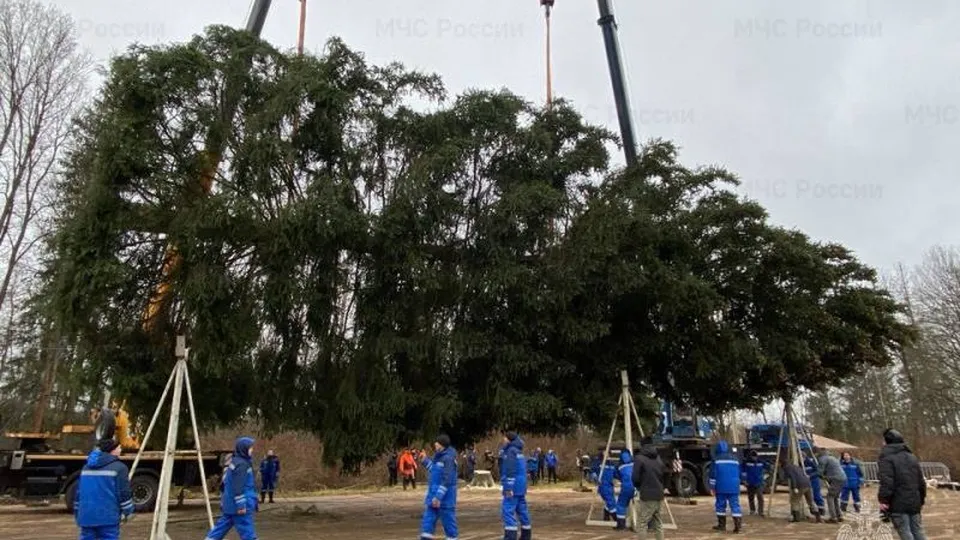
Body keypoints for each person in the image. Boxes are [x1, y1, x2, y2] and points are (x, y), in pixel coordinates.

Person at [75, 439, 134, 540]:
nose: (120, 450)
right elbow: (123, 492)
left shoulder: (86, 468)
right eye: (119, 448)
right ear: (113, 450)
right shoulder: (120, 468)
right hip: (108, 516)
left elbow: (79, 492)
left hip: (86, 516)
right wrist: (128, 510)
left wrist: (77, 511)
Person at [203, 436, 259, 540]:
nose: (252, 450)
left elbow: (226, 484)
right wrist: (241, 505)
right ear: (244, 449)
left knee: (219, 529)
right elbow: (238, 486)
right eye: (250, 448)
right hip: (240, 506)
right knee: (247, 531)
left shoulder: (235, 462)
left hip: (230, 505)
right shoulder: (242, 465)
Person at [878, 428, 927, 540]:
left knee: (905, 531)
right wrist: (921, 499)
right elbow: (920, 481)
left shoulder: (886, 459)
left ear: (887, 442)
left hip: (898, 502)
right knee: (917, 531)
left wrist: (883, 500)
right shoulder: (912, 457)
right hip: (914, 500)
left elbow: (887, 482)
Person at [418, 435, 459, 540]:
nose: (434, 445)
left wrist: (438, 497)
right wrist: (425, 460)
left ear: (442, 445)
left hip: (445, 499)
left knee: (449, 525)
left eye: (436, 443)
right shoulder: (438, 457)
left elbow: (447, 480)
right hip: (433, 496)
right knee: (427, 523)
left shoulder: (449, 459)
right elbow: (434, 471)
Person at [500, 432, 532, 540]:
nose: (503, 440)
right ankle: (526, 535)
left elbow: (510, 470)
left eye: (504, 438)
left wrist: (508, 487)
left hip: (513, 486)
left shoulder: (510, 451)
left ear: (509, 440)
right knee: (522, 511)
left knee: (508, 511)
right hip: (521, 486)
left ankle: (510, 536)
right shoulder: (519, 451)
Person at [633, 445, 668, 540]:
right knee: (658, 522)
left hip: (647, 494)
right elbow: (665, 473)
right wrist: (663, 487)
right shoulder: (658, 458)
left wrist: (639, 487)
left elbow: (635, 477)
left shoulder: (639, 458)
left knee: (642, 523)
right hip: (659, 494)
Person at [709, 440, 742, 533]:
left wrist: (712, 487)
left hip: (721, 486)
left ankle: (721, 525)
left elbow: (713, 475)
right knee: (735, 505)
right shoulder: (735, 459)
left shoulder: (716, 460)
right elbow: (739, 473)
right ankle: (737, 526)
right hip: (734, 487)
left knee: (720, 505)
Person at [817, 447, 847, 523]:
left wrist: (815, 475)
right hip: (842, 478)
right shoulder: (832, 458)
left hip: (835, 479)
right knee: (835, 497)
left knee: (830, 497)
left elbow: (819, 472)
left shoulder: (823, 459)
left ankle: (833, 517)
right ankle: (839, 516)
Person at [614, 448, 635, 530]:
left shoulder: (619, 465)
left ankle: (621, 525)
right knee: (642, 505)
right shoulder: (635, 462)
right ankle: (646, 524)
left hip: (626, 487)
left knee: (621, 505)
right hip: (637, 487)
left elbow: (617, 476)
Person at [742, 449, 766, 517]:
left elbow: (768, 468)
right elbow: (742, 471)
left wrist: (765, 477)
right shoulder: (746, 462)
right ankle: (752, 510)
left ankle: (761, 511)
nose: (754, 458)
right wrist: (744, 480)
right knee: (751, 497)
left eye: (755, 456)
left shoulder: (761, 462)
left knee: (760, 496)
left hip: (759, 482)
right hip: (750, 483)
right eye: (753, 457)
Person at [596, 451, 618, 521]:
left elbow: (616, 474)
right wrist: (594, 476)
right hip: (603, 485)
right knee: (611, 502)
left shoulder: (612, 464)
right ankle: (616, 519)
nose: (607, 455)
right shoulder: (598, 463)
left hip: (610, 486)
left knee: (610, 500)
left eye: (608, 453)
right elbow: (593, 470)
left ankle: (606, 516)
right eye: (605, 453)